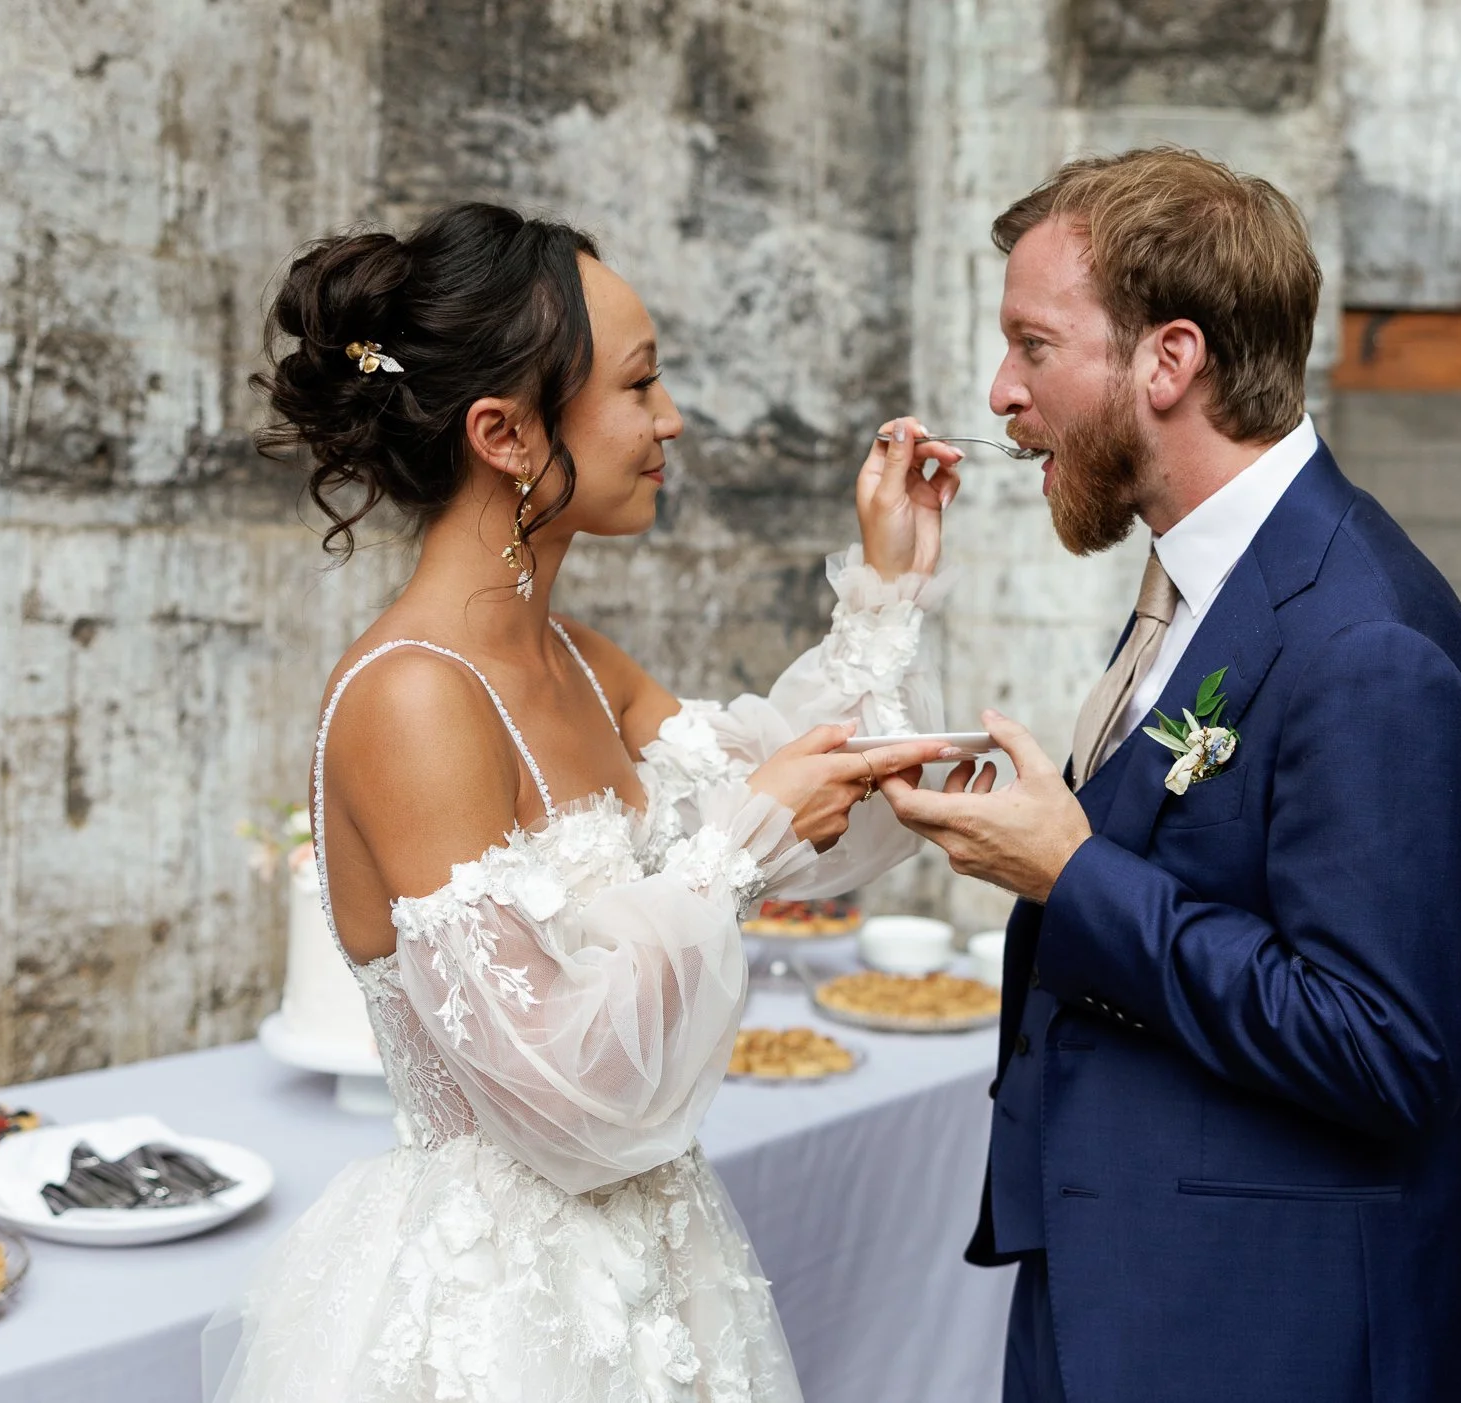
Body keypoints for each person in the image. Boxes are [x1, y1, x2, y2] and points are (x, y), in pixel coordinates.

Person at [207, 201, 961, 1403]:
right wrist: (733, 851)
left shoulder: (586, 664)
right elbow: (563, 1098)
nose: (670, 421)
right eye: (641, 385)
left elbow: (838, 813)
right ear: (504, 432)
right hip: (508, 1320)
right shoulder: (410, 700)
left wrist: (886, 585)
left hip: (668, 1278)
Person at [878, 149, 1461, 1402]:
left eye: (1033, 344)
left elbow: (1386, 1046)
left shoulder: (1371, 645)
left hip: (1273, 1326)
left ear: (1168, 361)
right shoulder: (1206, 575)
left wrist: (1072, 872)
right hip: (1124, 1276)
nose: (1001, 392)